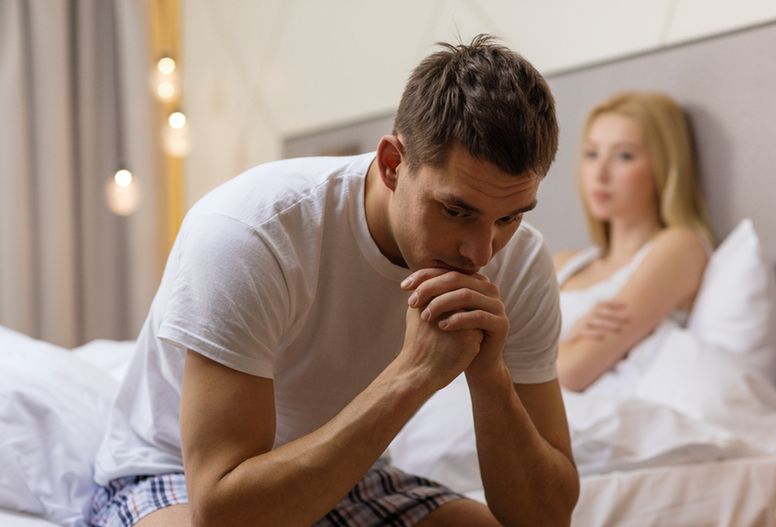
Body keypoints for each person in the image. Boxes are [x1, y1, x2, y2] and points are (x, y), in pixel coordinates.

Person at [91, 35, 578, 527]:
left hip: (352, 472)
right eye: (455, 211)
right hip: (182, 473)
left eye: (509, 217)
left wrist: (489, 375)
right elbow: (220, 514)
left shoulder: (522, 263)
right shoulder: (252, 233)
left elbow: (545, 519)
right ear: (392, 164)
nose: (481, 252)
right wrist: (413, 374)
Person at [554, 91, 716, 392]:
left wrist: (544, 346)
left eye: (624, 156)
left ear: (663, 167)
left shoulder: (679, 247)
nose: (599, 173)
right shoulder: (562, 264)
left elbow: (574, 371)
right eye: (592, 154)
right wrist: (565, 343)